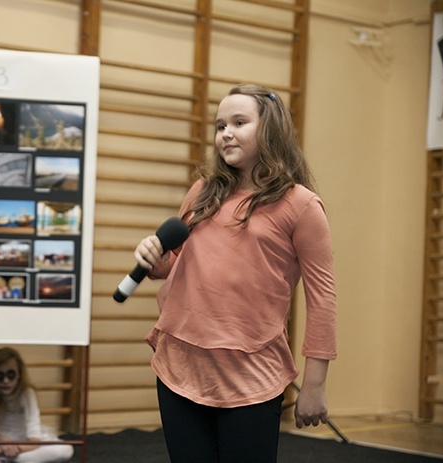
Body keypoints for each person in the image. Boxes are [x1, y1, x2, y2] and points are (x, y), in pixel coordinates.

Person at [132, 83, 337, 462]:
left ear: (270, 128)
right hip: (181, 366)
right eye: (220, 125)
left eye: (239, 122)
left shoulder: (301, 204)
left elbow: (322, 298)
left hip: (252, 377)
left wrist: (315, 383)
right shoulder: (202, 191)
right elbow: (178, 263)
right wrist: (153, 259)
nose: (225, 133)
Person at [0, 347, 73, 463]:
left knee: (65, 450)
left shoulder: (27, 393)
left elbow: (34, 439)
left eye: (11, 375)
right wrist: (3, 442)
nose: (6, 381)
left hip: (23, 443)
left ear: (19, 376)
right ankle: (4, 458)